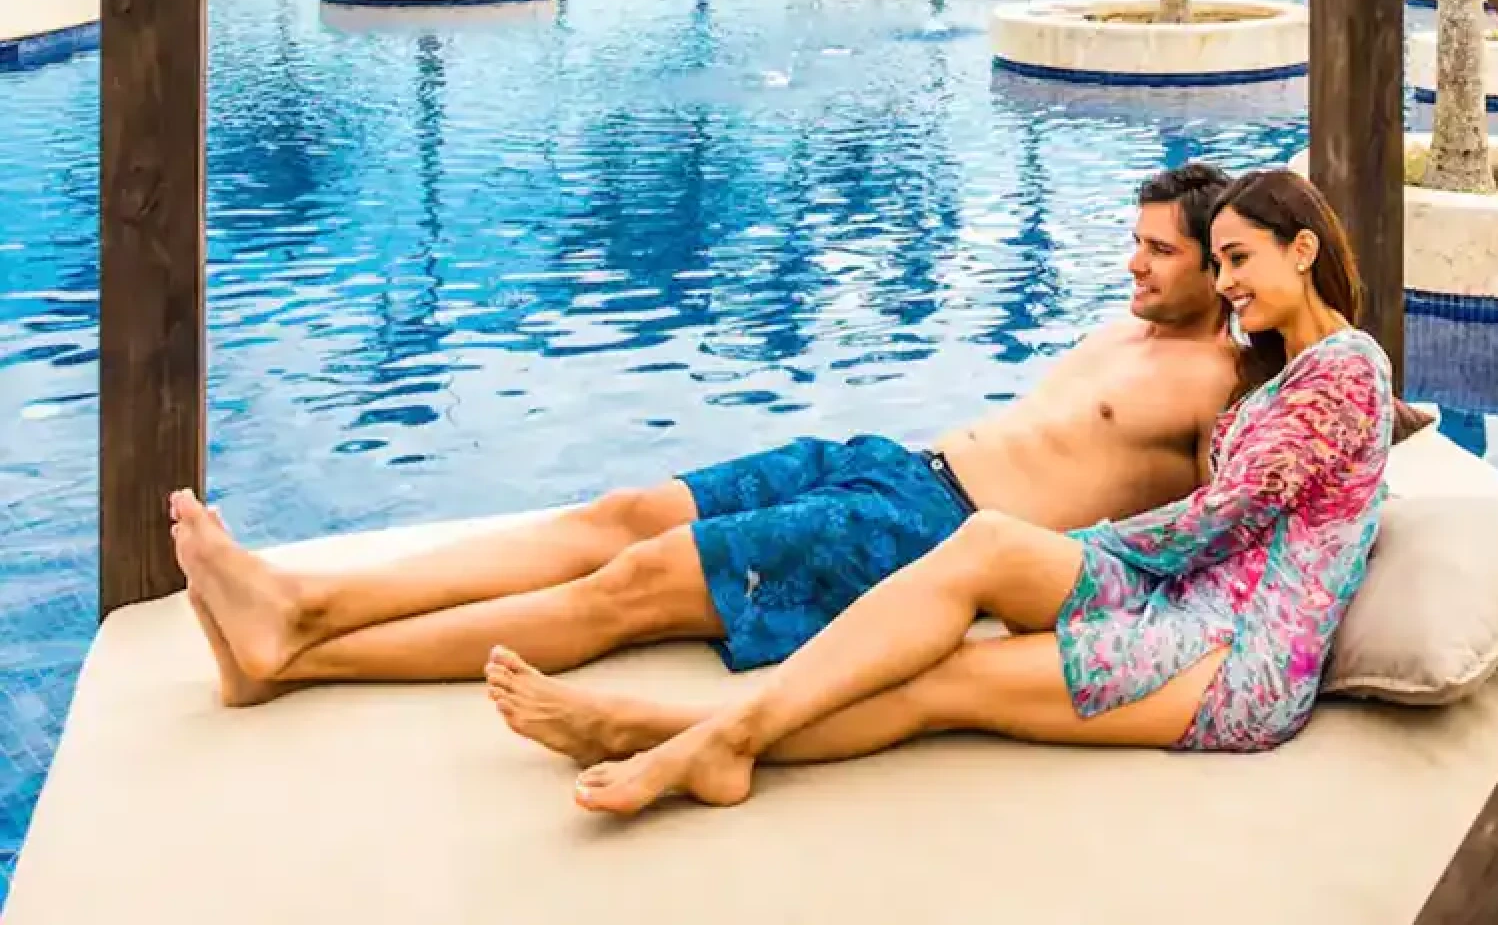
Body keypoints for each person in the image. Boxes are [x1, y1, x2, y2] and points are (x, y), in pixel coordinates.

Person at [484, 167, 1399, 814]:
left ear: (1304, 249)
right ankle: (702, 738)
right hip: (1181, 598)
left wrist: (1089, 548)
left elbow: (1223, 518)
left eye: (1241, 260)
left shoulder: (1347, 368)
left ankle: (678, 736)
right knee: (991, 541)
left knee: (942, 684)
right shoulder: (1289, 374)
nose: (1229, 283)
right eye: (1224, 263)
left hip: (1237, 655)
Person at [169, 163, 1248, 707]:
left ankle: (301, 642)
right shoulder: (1125, 329)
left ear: (1222, 262)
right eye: (1134, 243)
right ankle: (294, 615)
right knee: (620, 514)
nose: (1133, 265)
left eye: (1159, 253)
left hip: (925, 537)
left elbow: (1222, 529)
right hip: (887, 464)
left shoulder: (1222, 384)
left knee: (631, 587)